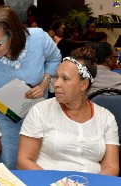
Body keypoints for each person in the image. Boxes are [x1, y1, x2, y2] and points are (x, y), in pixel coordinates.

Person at [0, 5, 61, 170]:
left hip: (38, 112)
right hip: (4, 116)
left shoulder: (38, 39)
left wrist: (44, 81)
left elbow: (55, 58)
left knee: (42, 161)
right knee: (11, 162)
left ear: (13, 34)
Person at [17, 47, 119, 176]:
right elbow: (24, 160)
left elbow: (111, 166)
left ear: (83, 85)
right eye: (56, 77)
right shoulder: (40, 111)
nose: (56, 84)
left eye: (65, 79)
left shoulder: (106, 118)